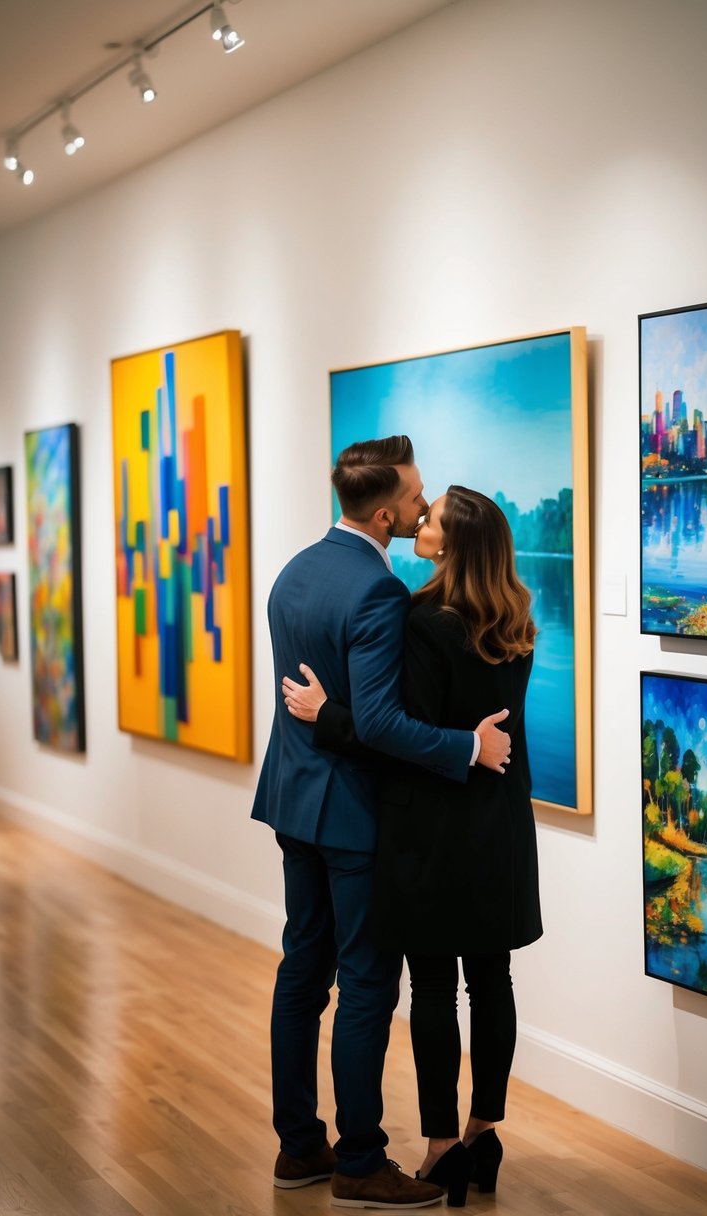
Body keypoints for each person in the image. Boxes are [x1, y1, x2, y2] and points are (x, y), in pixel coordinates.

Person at [251, 439, 512, 1210]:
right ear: (387, 510)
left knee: (301, 972)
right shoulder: (378, 592)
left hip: (292, 802)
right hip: (354, 817)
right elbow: (384, 724)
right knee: (366, 983)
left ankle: (299, 1146)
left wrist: (325, 714)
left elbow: (336, 707)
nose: (425, 506)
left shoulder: (294, 570)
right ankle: (359, 1160)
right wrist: (468, 744)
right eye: (419, 494)